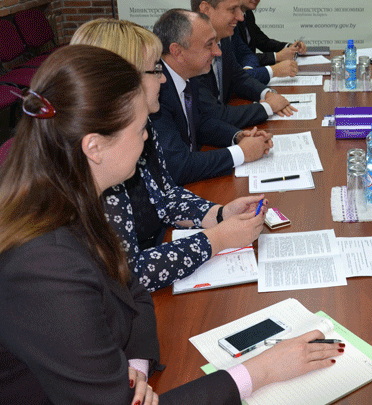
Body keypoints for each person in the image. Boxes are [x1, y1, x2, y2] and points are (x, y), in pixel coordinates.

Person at [0, 46, 344, 404]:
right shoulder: (44, 266)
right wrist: (263, 370)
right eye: (139, 130)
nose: (147, 137)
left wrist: (135, 367)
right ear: (94, 148)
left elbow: (132, 288)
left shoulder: (76, 201)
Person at [71, 18, 266, 292]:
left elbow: (165, 195)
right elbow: (129, 274)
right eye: (155, 70)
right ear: (122, 80)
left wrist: (220, 214)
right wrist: (217, 239)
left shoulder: (141, 126)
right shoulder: (100, 158)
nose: (163, 78)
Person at [151, 9, 272, 185]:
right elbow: (178, 166)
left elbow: (200, 123)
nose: (217, 52)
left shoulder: (187, 74)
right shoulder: (156, 90)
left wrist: (237, 136)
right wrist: (241, 153)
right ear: (177, 52)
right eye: (209, 45)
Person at [190, 0, 296, 129]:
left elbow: (238, 77)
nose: (240, 17)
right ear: (206, 10)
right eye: (233, 9)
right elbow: (214, 114)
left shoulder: (223, 39)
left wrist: (267, 94)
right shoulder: (190, 51)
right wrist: (267, 107)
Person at [206, 0, 300, 82]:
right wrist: (275, 63)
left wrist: (289, 47)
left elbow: (249, 52)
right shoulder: (201, 37)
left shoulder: (246, 15)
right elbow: (234, 75)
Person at [237, 0, 306, 66]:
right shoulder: (228, 20)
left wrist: (290, 47)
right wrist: (277, 56)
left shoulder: (248, 14)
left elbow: (263, 42)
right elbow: (239, 58)